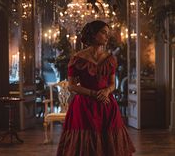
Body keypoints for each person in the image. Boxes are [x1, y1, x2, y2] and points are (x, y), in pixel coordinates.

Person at [56, 20, 135, 156]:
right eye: (103, 32)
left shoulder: (110, 59)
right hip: (84, 107)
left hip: (106, 105)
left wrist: (105, 91)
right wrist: (93, 93)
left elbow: (112, 84)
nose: (107, 36)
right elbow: (71, 86)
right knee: (85, 145)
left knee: (109, 145)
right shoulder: (77, 59)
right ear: (93, 34)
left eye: (107, 33)